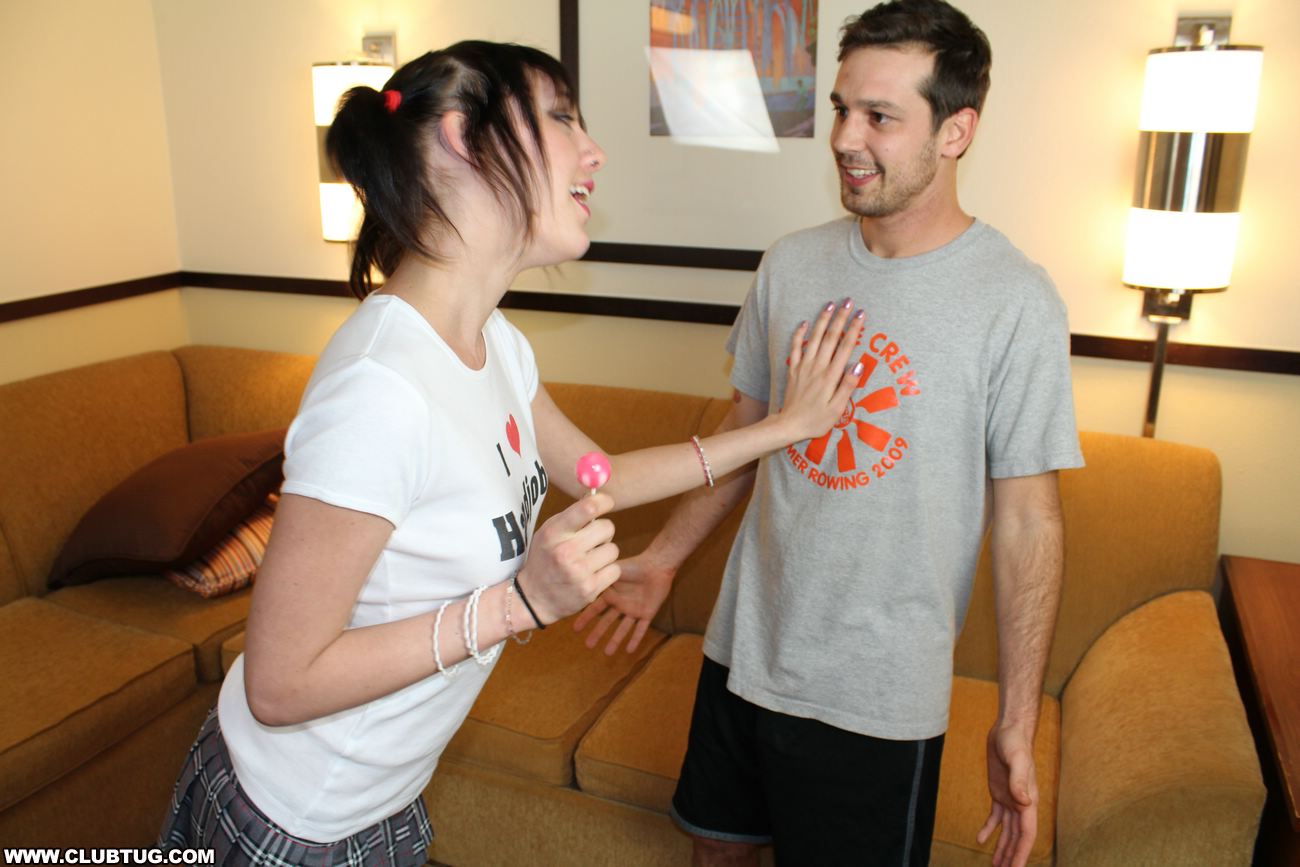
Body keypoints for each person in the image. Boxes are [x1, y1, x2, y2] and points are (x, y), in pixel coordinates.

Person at [157, 40, 867, 866]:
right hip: (291, 816)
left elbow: (600, 475)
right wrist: (520, 603)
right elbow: (280, 684)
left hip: (381, 798)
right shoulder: (380, 389)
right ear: (464, 137)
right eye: (562, 117)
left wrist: (783, 426)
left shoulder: (495, 341)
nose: (593, 151)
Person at [573, 2, 1084, 865]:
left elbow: (1030, 521)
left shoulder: (1016, 300)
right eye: (843, 108)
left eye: (880, 116)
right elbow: (747, 435)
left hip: (876, 698)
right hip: (745, 651)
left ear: (956, 131)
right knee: (716, 852)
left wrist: (1016, 717)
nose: (846, 137)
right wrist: (662, 558)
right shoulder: (792, 262)